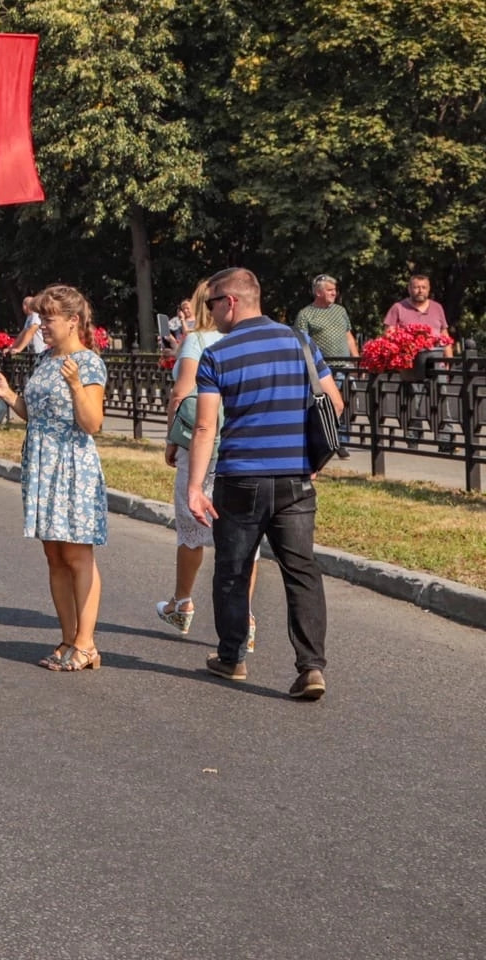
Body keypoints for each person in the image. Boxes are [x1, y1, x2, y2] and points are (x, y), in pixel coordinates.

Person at [187, 267, 343, 700]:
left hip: (241, 479)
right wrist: (312, 458)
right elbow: (335, 402)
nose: (211, 312)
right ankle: (311, 668)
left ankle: (232, 657)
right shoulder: (300, 341)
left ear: (231, 301)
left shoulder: (218, 355)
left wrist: (194, 486)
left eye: (213, 303)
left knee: (233, 571)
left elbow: (204, 428)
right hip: (296, 478)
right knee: (302, 571)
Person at [0, 285, 108, 672]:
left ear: (73, 321)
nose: (41, 326)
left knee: (76, 553)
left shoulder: (87, 363)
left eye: (48, 319)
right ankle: (68, 637)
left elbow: (92, 423)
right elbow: (35, 413)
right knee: (54, 555)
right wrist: (7, 395)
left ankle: (87, 644)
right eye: (39, 318)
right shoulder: (45, 360)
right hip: (42, 463)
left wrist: (75, 386)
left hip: (72, 466)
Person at [157, 283, 260, 645]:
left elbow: (181, 392)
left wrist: (171, 437)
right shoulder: (250, 340)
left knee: (192, 528)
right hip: (244, 442)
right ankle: (245, 619)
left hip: (202, 441)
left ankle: (182, 603)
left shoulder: (197, 341)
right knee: (247, 536)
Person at [383, 273, 453, 356]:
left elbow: (445, 337)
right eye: (416, 287)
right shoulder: (398, 308)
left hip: (436, 363)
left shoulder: (437, 308)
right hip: (408, 364)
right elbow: (388, 336)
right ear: (409, 289)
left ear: (429, 289)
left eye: (424, 287)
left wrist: (449, 362)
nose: (420, 291)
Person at [294, 275, 359, 360]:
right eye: (329, 290)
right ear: (318, 292)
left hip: (346, 367)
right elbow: (301, 344)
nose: (334, 293)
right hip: (321, 369)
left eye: (335, 290)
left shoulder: (340, 310)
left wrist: (357, 361)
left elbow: (348, 337)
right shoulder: (305, 314)